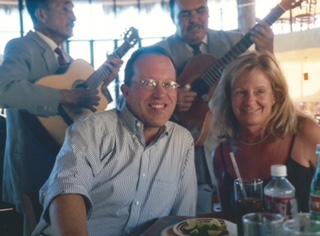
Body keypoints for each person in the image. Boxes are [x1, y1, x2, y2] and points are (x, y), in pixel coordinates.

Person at [32, 46, 197, 236]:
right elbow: (67, 190)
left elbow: (184, 219)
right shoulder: (92, 128)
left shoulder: (182, 141)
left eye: (169, 85)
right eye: (148, 83)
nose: (160, 94)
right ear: (126, 92)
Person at [0, 0, 122, 234]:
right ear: (42, 15)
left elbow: (76, 109)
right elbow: (4, 89)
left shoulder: (64, 55)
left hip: (64, 162)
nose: (73, 15)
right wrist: (68, 95)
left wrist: (103, 83)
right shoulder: (21, 46)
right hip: (34, 164)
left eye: (73, 9)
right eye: (65, 9)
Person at [154, 0, 274, 213]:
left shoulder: (235, 43)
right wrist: (169, 98)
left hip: (232, 150)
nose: (195, 20)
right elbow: (140, 100)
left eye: (201, 11)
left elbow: (267, 84)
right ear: (172, 17)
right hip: (175, 156)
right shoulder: (158, 53)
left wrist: (267, 50)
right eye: (184, 14)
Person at [209, 51, 320, 218]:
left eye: (260, 91)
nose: (250, 101)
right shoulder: (221, 155)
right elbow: (228, 223)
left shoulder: (305, 133)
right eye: (240, 92)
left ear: (275, 95)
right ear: (229, 98)